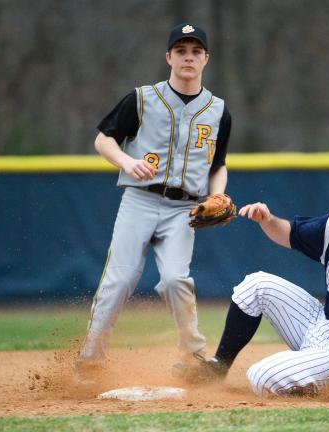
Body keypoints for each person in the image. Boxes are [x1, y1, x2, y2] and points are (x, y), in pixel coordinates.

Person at [76, 23, 232, 377]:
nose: (188, 57)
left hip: (184, 208)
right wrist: (128, 162)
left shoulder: (219, 110)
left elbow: (218, 164)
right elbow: (104, 140)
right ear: (169, 57)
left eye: (195, 51)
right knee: (120, 280)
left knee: (176, 280)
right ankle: (91, 360)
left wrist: (219, 192)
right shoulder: (142, 98)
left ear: (206, 58)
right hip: (140, 200)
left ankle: (193, 358)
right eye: (181, 50)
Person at [192, 170, 329, 397]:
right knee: (255, 285)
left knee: (261, 377)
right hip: (321, 321)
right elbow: (291, 234)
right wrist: (267, 220)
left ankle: (328, 389)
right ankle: (218, 367)